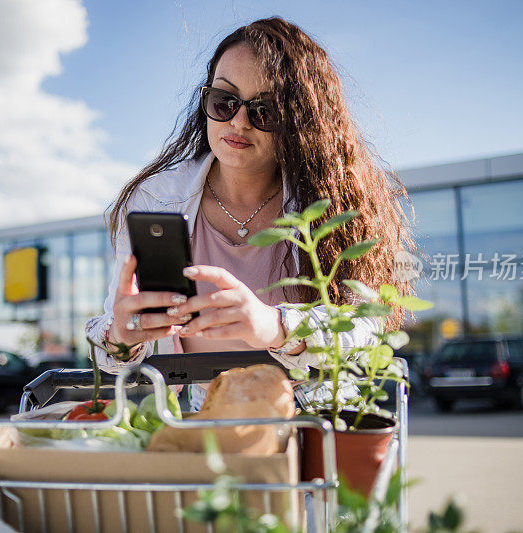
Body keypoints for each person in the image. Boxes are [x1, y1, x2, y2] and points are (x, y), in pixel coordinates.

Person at [85, 17, 415, 410]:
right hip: (195, 426)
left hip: (311, 423)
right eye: (224, 100)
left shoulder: (336, 204)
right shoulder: (155, 198)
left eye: (265, 110)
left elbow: (368, 324)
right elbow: (116, 348)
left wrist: (276, 327)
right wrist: (122, 336)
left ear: (302, 120)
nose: (238, 122)